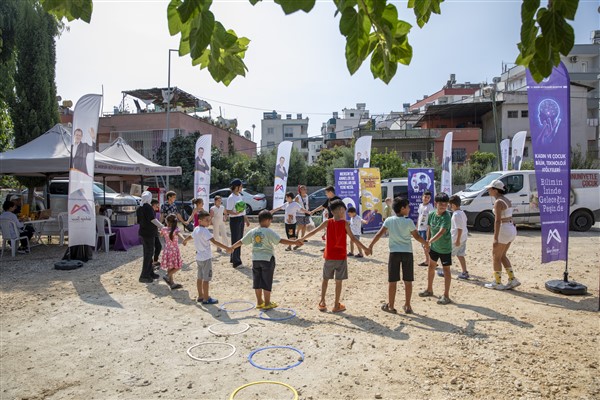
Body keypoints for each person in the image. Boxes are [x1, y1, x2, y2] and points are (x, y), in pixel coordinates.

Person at [302, 200, 370, 313]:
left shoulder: (328, 222)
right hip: (341, 257)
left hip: (329, 256)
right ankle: (336, 305)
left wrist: (300, 239)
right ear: (339, 210)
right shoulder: (345, 224)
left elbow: (314, 232)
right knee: (338, 281)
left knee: (325, 279)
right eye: (343, 209)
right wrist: (366, 249)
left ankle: (322, 302)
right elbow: (353, 238)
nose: (344, 211)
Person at [369, 197, 429, 314]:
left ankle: (390, 306)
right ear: (402, 209)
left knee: (392, 281)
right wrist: (426, 243)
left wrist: (370, 246)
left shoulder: (389, 221)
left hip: (394, 253)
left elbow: (379, 234)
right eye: (407, 206)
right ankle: (407, 305)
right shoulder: (409, 222)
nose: (409, 208)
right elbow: (416, 236)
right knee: (408, 280)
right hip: (407, 253)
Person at [230, 210, 301, 310]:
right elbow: (280, 240)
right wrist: (294, 242)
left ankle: (259, 302)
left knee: (257, 281)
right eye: (270, 221)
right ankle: (267, 303)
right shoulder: (268, 231)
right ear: (267, 220)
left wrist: (232, 247)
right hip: (267, 259)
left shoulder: (253, 231)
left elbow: (241, 241)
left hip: (255, 260)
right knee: (267, 281)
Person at [183, 211, 231, 304]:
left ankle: (200, 296)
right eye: (207, 220)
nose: (209, 222)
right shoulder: (205, 231)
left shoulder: (196, 229)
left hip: (199, 258)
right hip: (206, 258)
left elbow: (190, 236)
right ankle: (206, 298)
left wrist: (185, 240)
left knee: (199, 277)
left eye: (209, 220)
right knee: (206, 279)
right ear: (200, 221)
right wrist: (227, 248)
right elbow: (215, 242)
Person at [484, 180, 520, 290]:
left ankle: (498, 282)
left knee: (496, 256)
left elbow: (497, 221)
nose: (488, 190)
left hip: (504, 229)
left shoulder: (498, 202)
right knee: (503, 255)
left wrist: (495, 238)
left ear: (495, 190)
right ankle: (512, 279)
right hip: (511, 228)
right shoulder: (506, 200)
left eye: (490, 189)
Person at [418, 193, 452, 305]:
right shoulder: (432, 214)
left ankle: (446, 295)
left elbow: (441, 232)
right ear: (436, 203)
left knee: (446, 271)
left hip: (445, 248)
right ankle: (429, 289)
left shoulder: (447, 216)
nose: (443, 206)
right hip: (434, 248)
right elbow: (429, 228)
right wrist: (427, 242)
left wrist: (429, 242)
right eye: (441, 204)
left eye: (445, 204)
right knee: (431, 267)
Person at [136, 191, 163, 283]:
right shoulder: (148, 207)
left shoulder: (139, 208)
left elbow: (139, 221)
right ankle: (144, 275)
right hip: (149, 233)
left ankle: (150, 272)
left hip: (144, 233)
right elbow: (153, 219)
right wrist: (162, 227)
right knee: (148, 254)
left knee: (148, 253)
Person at [226, 179, 250, 268]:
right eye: (241, 186)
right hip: (234, 220)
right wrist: (234, 213)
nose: (242, 187)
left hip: (240, 219)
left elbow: (242, 210)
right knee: (236, 240)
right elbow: (228, 210)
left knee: (239, 239)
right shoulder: (231, 197)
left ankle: (233, 258)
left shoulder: (239, 195)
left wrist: (246, 219)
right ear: (236, 187)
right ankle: (236, 262)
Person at [309, 186, 341, 252]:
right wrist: (313, 211)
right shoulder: (329, 200)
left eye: (326, 192)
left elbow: (341, 210)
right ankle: (328, 247)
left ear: (330, 192)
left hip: (336, 220)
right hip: (330, 220)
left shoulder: (338, 200)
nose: (325, 194)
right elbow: (323, 206)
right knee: (329, 234)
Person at [159, 214, 185, 290]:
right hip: (174, 250)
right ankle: (167, 276)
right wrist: (184, 240)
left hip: (167, 250)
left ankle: (172, 283)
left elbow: (160, 235)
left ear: (166, 221)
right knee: (178, 266)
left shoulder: (164, 229)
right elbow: (180, 235)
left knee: (170, 266)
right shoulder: (176, 229)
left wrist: (161, 228)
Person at [449, 195, 469, 280]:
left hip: (456, 239)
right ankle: (465, 272)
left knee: (448, 255)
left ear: (453, 205)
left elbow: (459, 228)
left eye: (450, 205)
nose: (449, 206)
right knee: (460, 255)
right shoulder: (462, 212)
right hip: (463, 238)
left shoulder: (456, 214)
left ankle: (445, 271)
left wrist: (457, 240)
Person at [417, 191, 434, 267]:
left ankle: (431, 261)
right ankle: (428, 260)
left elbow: (431, 218)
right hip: (420, 228)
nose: (426, 199)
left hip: (426, 228)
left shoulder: (430, 207)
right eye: (425, 197)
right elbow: (419, 216)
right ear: (422, 197)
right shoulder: (420, 205)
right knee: (423, 245)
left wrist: (429, 229)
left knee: (426, 245)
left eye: (428, 197)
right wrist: (417, 226)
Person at [151, 199, 162, 269]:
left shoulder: (153, 211)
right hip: (151, 233)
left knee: (158, 246)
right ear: (154, 205)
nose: (158, 207)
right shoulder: (150, 212)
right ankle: (152, 263)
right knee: (152, 248)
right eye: (157, 205)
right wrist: (162, 227)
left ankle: (155, 261)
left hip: (154, 232)